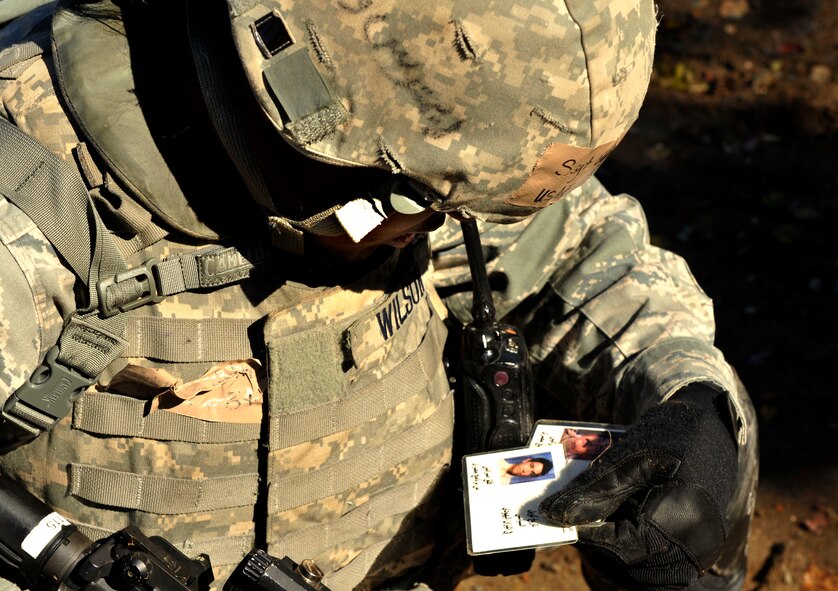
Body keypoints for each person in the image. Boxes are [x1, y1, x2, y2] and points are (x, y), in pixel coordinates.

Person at [0, 1, 758, 590]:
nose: (429, 228)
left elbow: (590, 261)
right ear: (293, 93)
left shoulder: (416, 146)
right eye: (408, 204)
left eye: (453, 208)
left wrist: (691, 401)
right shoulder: (33, 198)